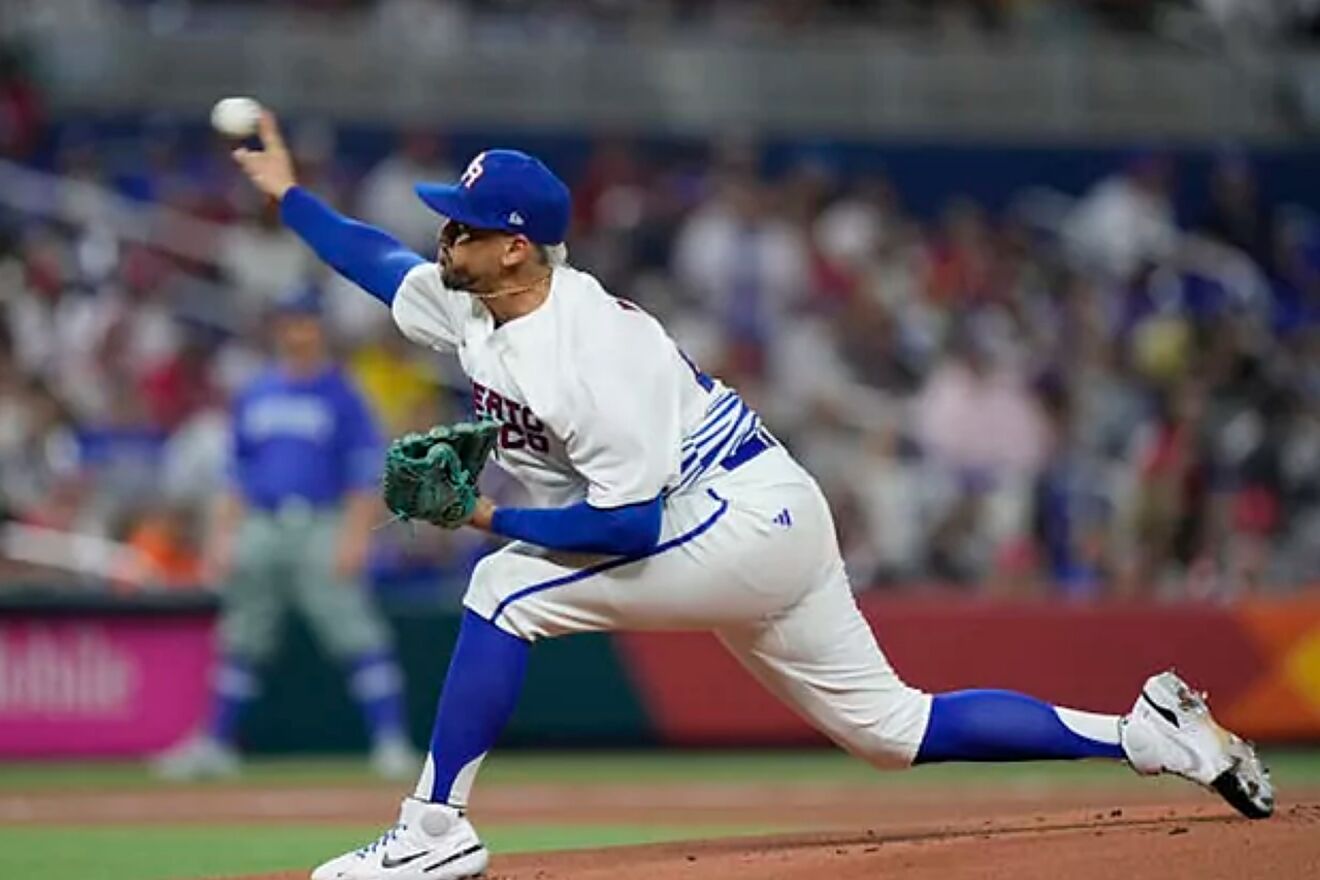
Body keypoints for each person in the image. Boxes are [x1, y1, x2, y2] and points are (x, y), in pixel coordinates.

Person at [230, 112, 1274, 880]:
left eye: (461, 227)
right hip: (754, 508)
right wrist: (287, 195)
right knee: (891, 729)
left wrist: (488, 517)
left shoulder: (579, 353)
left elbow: (630, 525)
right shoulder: (483, 306)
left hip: (729, 514)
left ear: (516, 246)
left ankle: (434, 829)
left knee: (506, 586)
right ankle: (1147, 733)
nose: (443, 239)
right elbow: (374, 261)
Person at [153, 290, 416, 782]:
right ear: (280, 328)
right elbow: (236, 474)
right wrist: (222, 536)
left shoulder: (343, 393)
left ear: (319, 328)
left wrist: (357, 537)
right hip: (261, 522)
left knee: (356, 633)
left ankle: (391, 742)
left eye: (306, 322)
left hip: (322, 522)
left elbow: (363, 475)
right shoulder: (257, 391)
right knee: (243, 635)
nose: (298, 331)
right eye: (290, 321)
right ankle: (215, 744)